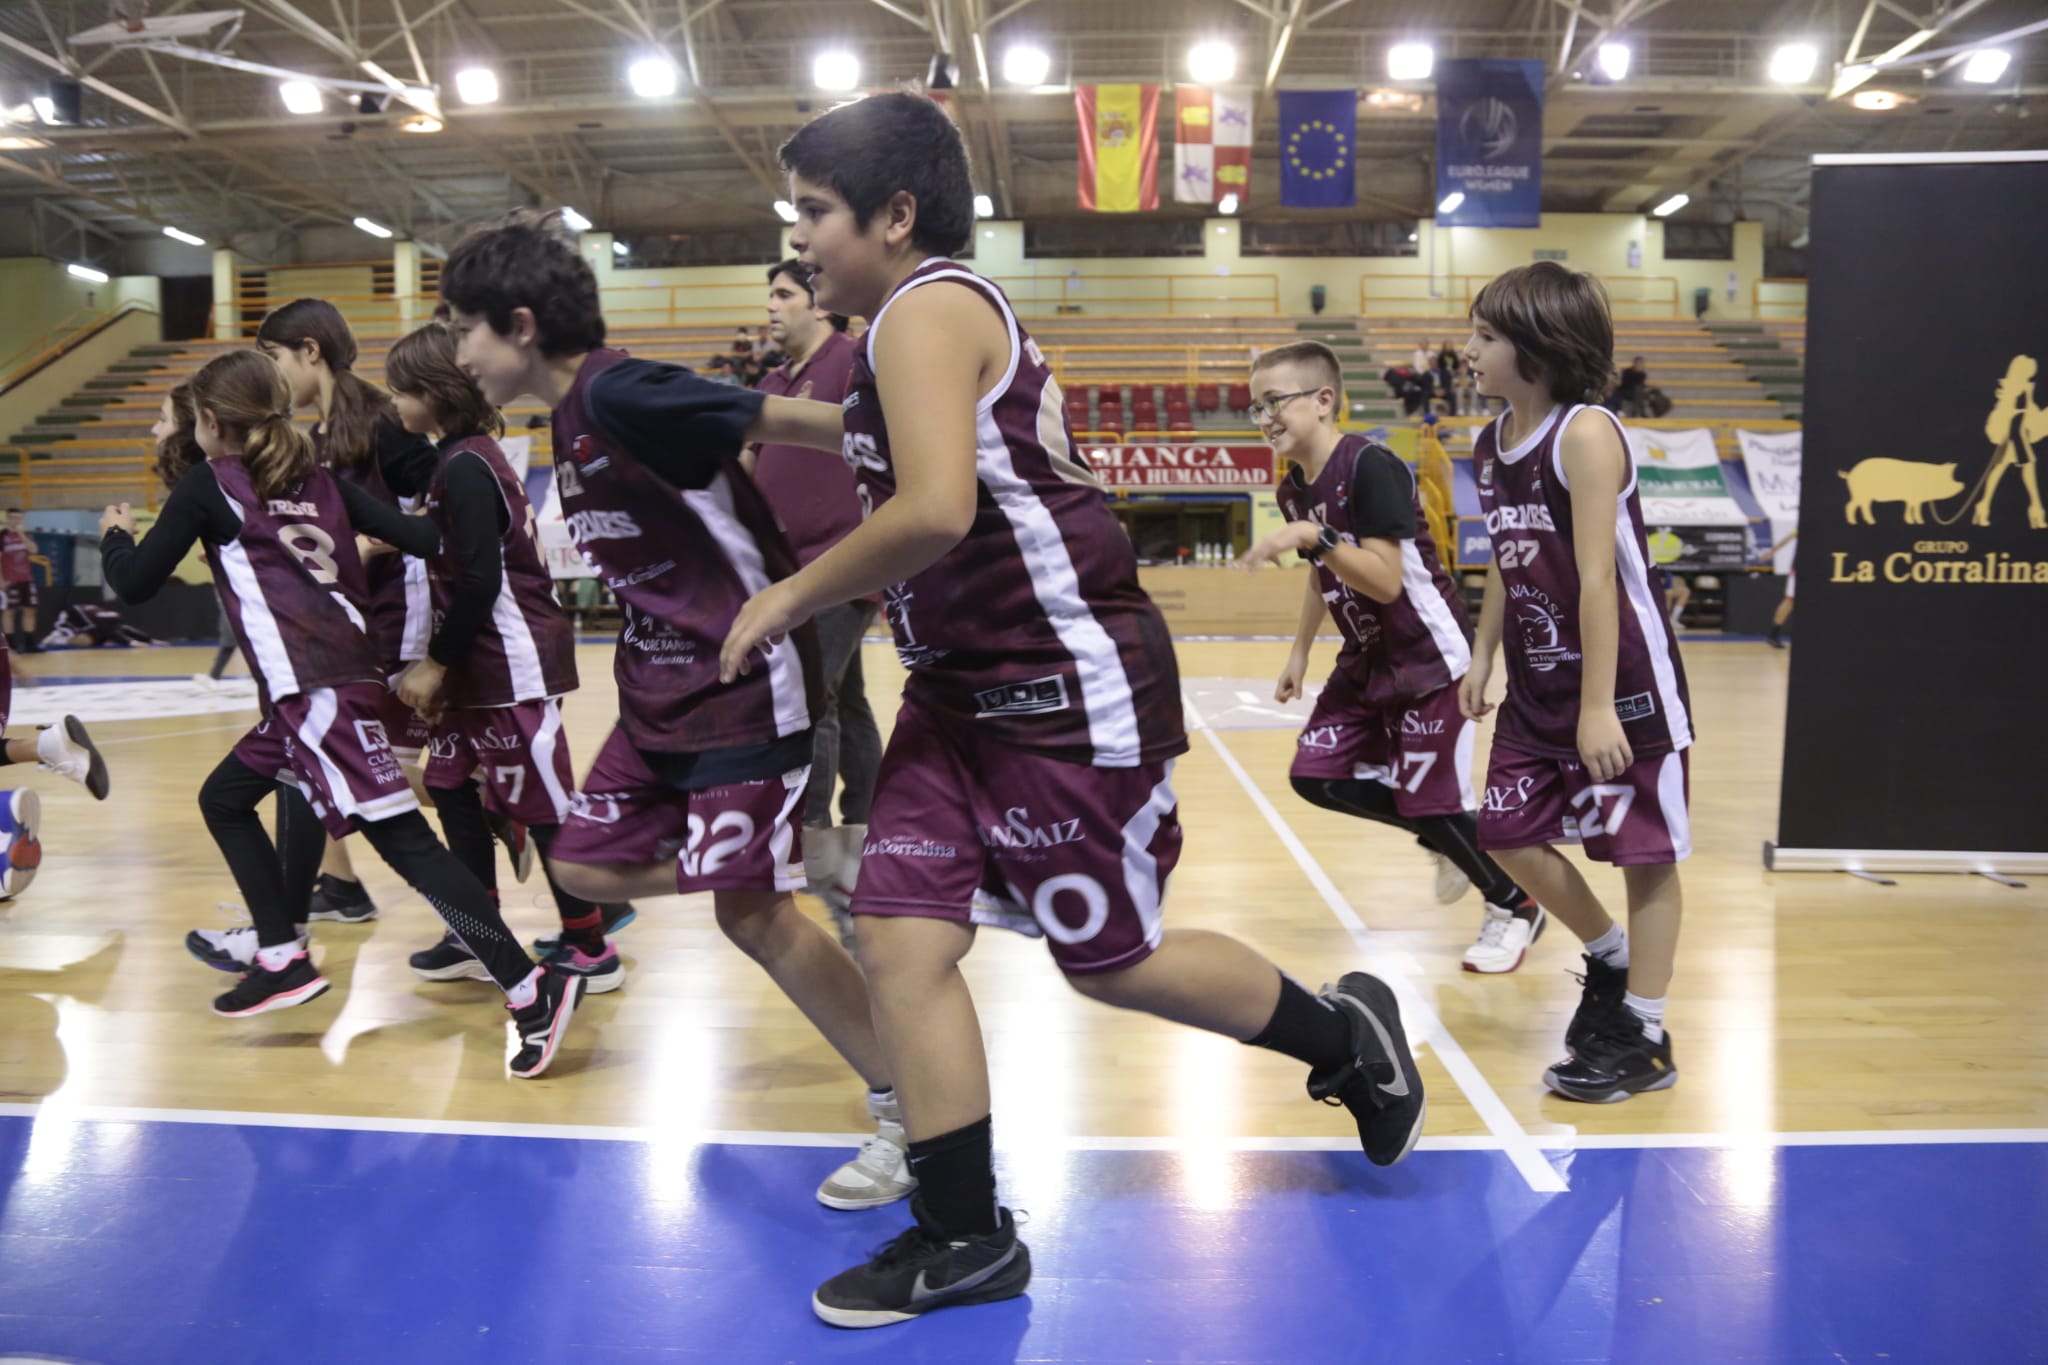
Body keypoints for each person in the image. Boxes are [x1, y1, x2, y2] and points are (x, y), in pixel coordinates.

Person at [719, 91, 1424, 1329]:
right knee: (898, 940)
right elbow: (876, 444)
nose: (801, 243)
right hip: (958, 689)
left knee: (1114, 965)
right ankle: (963, 1235)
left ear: (893, 216)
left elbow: (932, 508)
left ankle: (1343, 1043)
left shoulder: (928, 306)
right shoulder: (900, 331)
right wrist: (735, 415)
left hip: (1062, 686)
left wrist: (786, 596)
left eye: (815, 216)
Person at [440, 209, 916, 1213]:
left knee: (752, 914)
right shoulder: (564, 419)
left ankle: (908, 1114)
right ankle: (811, 855)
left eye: (462, 326)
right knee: (576, 862)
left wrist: (913, 442)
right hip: (657, 689)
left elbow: (788, 422)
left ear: (519, 324)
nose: (456, 350)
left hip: (745, 679)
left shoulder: (622, 389)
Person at [99, 349, 582, 1075]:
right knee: (225, 797)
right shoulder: (316, 479)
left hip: (316, 691)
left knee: (408, 846)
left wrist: (113, 532)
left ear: (207, 420)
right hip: (332, 684)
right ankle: (282, 949)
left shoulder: (210, 485)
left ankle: (528, 985)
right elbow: (426, 537)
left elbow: (134, 584)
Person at [1459, 261, 1694, 1103]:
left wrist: (1599, 705)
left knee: (1645, 854)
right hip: (1534, 682)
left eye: (1485, 336)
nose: (1469, 349)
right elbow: (1503, 556)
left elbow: (1598, 579)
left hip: (1622, 685)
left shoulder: (1585, 432)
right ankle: (1608, 954)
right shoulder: (1490, 442)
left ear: (1540, 348)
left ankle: (1647, 1030)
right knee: (1506, 832)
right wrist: (1482, 652)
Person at [1239, 340, 1546, 972]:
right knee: (1315, 778)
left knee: (1429, 800)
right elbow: (1323, 573)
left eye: (1274, 401)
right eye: (1254, 406)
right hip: (1364, 657)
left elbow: (1383, 581)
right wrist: (1299, 650)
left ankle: (1515, 904)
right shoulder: (1296, 487)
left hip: (1427, 657)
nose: (1264, 416)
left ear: (1324, 401)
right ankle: (1436, 829)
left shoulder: (1373, 465)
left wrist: (1313, 537)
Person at [382, 321, 636, 991]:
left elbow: (480, 581)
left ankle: (591, 946)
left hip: (509, 662)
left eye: (400, 390)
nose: (393, 404)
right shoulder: (454, 459)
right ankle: (479, 932)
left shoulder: (467, 464)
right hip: (480, 665)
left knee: (545, 807)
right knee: (447, 786)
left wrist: (435, 662)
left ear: (433, 392)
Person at [742, 259, 876, 943]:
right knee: (845, 700)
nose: (770, 305)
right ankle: (871, 825)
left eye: (783, 293)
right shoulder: (770, 383)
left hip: (842, 565)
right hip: (785, 573)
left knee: (809, 701)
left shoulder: (854, 360)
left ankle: (815, 843)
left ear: (819, 304)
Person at [36, 603, 161, 649]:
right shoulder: (87, 620)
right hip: (67, 628)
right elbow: (113, 631)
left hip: (90, 627)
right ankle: (57, 640)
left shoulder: (105, 620)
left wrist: (149, 639)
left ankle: (149, 639)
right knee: (86, 641)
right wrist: (131, 643)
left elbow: (122, 629)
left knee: (115, 630)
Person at [2, 509, 39, 653]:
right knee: (9, 611)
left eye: (19, 518)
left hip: (26, 579)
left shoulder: (26, 535)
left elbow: (34, 550)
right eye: (13, 517)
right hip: (9, 579)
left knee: (30, 610)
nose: (16, 521)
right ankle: (10, 644)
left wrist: (21, 534)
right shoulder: (2, 536)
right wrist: (1, 580)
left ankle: (29, 643)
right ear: (7, 518)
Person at [1762, 530, 1797, 648]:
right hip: (1800, 568)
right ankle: (1773, 634)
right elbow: (1788, 537)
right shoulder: (1807, 523)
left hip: (1816, 567)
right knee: (1790, 600)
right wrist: (1772, 551)